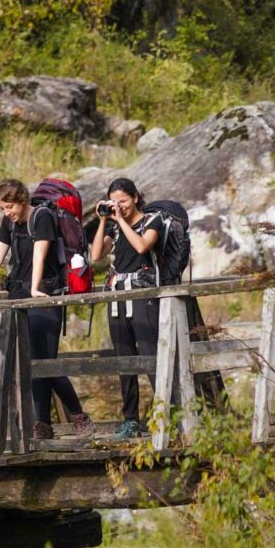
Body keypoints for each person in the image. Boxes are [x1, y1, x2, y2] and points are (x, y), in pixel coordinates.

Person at [0, 178, 92, 438]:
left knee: (45, 361)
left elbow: (40, 253)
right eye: (2, 209)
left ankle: (78, 415)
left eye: (10, 207)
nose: (7, 213)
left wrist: (34, 288)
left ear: (22, 200)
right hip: (17, 295)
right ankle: (42, 424)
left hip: (45, 295)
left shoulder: (42, 217)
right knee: (28, 361)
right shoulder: (10, 221)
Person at [90, 177, 162, 438]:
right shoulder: (114, 228)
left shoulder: (152, 221)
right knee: (124, 361)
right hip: (118, 298)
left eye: (123, 200)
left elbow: (143, 245)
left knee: (151, 357)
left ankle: (169, 415)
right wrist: (103, 220)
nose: (119, 205)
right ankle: (130, 419)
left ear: (135, 198)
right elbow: (96, 256)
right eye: (114, 201)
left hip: (144, 299)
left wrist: (120, 219)